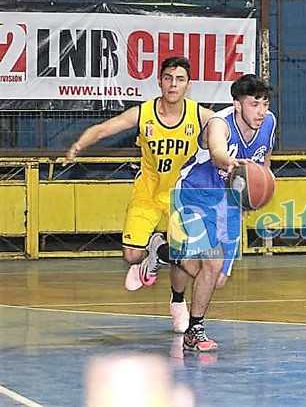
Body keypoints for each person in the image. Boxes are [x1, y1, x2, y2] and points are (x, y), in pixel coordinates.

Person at [64, 56, 213, 331]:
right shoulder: (144, 113)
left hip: (182, 197)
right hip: (148, 193)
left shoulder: (200, 115)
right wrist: (78, 145)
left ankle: (177, 300)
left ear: (188, 85)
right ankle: (152, 252)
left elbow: (227, 129)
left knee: (187, 261)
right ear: (160, 81)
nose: (173, 84)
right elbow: (104, 129)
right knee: (132, 256)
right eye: (168, 78)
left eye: (180, 79)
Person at [161, 74, 276, 352]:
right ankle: (195, 330)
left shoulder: (269, 122)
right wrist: (233, 164)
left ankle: (164, 252)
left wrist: (255, 193)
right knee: (211, 265)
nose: (260, 111)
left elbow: (266, 160)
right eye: (253, 104)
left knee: (218, 279)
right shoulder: (219, 124)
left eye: (264, 104)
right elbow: (216, 153)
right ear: (237, 105)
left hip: (228, 201)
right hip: (196, 194)